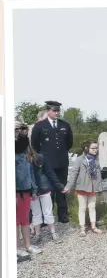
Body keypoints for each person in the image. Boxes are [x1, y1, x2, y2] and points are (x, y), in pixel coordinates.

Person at [30, 100, 73, 224]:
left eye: (58, 110)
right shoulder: (40, 126)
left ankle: (63, 215)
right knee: (48, 190)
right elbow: (35, 144)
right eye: (54, 110)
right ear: (48, 111)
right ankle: (47, 217)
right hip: (47, 163)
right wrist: (43, 156)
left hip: (62, 162)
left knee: (62, 188)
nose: (57, 113)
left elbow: (69, 143)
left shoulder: (65, 125)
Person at [15, 121, 43, 261]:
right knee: (15, 222)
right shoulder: (11, 155)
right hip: (16, 192)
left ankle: (28, 245)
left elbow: (31, 173)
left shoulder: (27, 154)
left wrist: (33, 190)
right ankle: (16, 248)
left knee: (25, 221)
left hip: (26, 191)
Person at [65, 139, 104, 237]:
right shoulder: (80, 159)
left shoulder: (96, 159)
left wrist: (100, 188)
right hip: (82, 186)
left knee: (92, 207)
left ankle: (93, 227)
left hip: (93, 187)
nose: (95, 150)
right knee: (82, 208)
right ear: (87, 148)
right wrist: (69, 186)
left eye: (96, 148)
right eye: (93, 148)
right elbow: (74, 173)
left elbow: (99, 175)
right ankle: (82, 228)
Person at [28, 146, 67, 244]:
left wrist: (60, 186)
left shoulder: (40, 158)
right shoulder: (23, 159)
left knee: (47, 211)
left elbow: (50, 173)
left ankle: (53, 233)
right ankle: (38, 234)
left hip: (42, 188)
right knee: (36, 213)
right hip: (32, 190)